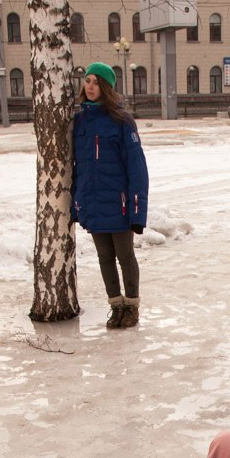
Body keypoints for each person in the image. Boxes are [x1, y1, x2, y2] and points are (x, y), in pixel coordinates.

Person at [71, 62, 149, 329]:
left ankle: (132, 307)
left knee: (124, 256)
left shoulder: (121, 120)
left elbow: (137, 168)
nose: (89, 86)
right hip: (93, 203)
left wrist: (138, 211)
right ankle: (116, 307)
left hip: (120, 204)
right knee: (104, 257)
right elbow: (77, 167)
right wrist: (77, 205)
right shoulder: (79, 120)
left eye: (95, 82)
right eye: (87, 80)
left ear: (105, 87)